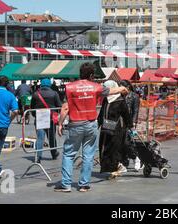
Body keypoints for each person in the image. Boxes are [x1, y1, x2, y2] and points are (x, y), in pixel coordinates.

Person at [54, 63, 128, 193]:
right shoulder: (96, 87)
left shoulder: (70, 87)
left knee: (69, 154)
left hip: (75, 124)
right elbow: (111, 91)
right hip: (91, 124)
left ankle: (66, 184)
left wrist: (60, 124)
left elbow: (65, 108)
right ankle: (84, 185)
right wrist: (122, 88)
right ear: (92, 75)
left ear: (80, 73)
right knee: (88, 155)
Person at [98, 80, 132, 179]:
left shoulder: (120, 100)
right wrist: (98, 123)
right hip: (105, 127)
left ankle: (117, 167)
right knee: (104, 148)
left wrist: (130, 126)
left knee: (113, 149)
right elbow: (102, 113)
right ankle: (110, 168)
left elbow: (126, 115)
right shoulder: (106, 99)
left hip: (116, 130)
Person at [31, 78, 62, 163]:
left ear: (41, 84)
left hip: (39, 118)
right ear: (49, 84)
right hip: (51, 118)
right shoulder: (54, 93)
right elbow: (59, 105)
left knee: (40, 138)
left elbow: (32, 108)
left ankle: (38, 156)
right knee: (51, 137)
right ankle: (54, 153)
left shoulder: (36, 94)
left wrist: (35, 115)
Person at [119, 80, 142, 171]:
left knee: (127, 142)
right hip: (119, 122)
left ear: (127, 87)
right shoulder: (119, 96)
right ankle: (124, 162)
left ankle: (136, 158)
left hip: (129, 123)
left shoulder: (134, 96)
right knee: (120, 144)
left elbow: (135, 110)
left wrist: (133, 124)